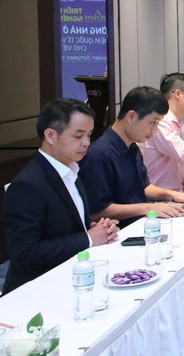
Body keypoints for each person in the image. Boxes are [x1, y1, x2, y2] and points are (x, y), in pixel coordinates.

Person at [2, 99, 118, 294]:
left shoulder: (72, 171)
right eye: (78, 135)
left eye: (89, 135)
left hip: (72, 278)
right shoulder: (27, 185)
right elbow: (25, 253)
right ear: (50, 135)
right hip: (37, 290)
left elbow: (65, 227)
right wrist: (87, 239)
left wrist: (97, 230)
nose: (86, 143)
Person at [80, 87, 184, 228]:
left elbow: (143, 187)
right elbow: (96, 211)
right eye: (153, 122)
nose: (155, 131)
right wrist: (148, 208)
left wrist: (172, 195)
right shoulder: (99, 155)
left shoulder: (132, 147)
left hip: (141, 223)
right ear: (131, 117)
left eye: (158, 124)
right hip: (120, 231)